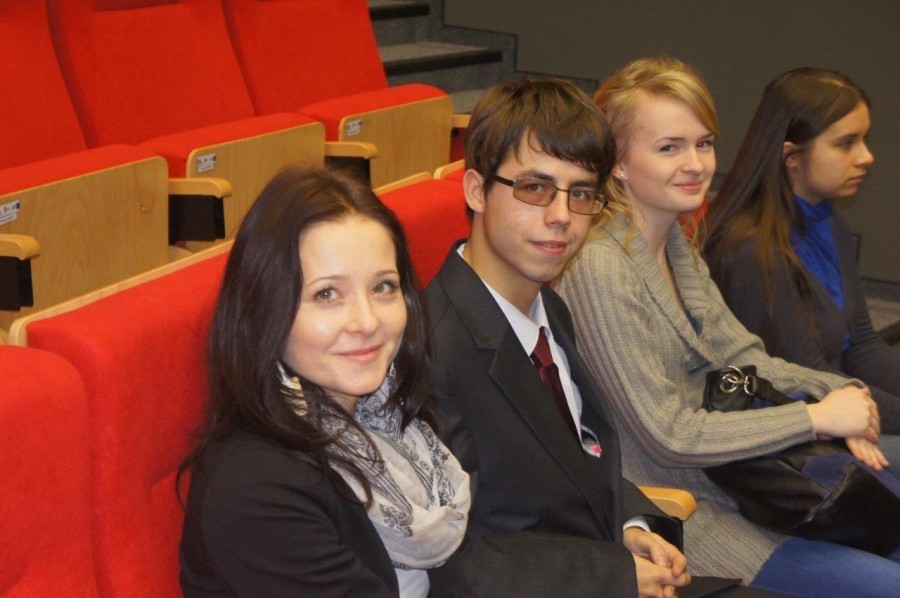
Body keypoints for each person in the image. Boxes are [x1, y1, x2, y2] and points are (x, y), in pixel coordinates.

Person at [555, 57, 900, 596]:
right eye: (669, 148)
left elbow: (746, 358)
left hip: (745, 478)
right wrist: (815, 417)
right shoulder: (600, 266)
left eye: (704, 143)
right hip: (682, 510)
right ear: (618, 162)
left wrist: (846, 395)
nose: (696, 164)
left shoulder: (675, 244)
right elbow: (668, 436)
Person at [425, 76, 694, 598]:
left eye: (581, 194)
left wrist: (631, 525)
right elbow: (448, 559)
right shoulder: (433, 353)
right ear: (477, 190)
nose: (561, 218)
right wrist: (611, 575)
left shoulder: (549, 308)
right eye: (534, 188)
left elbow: (575, 463)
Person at [178, 166, 470, 597]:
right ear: (265, 308)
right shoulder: (255, 489)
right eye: (327, 294)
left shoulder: (388, 411)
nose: (366, 322)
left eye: (383, 287)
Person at [702, 67, 900, 435]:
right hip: (781, 427)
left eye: (864, 139)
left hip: (836, 402)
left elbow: (861, 344)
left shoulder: (833, 224)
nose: (866, 156)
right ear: (791, 156)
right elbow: (808, 376)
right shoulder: (750, 249)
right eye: (846, 143)